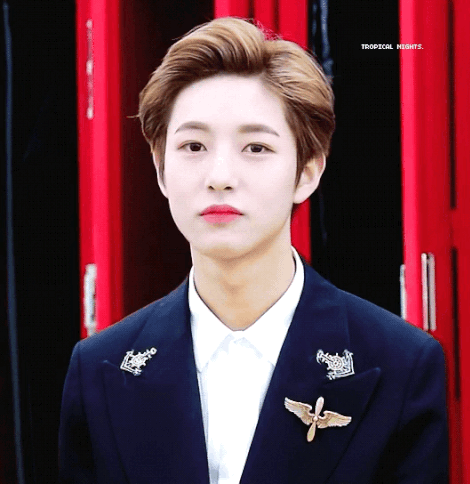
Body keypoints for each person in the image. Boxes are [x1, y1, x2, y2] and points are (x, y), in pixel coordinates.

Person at [59, 17, 448, 483]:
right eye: (194, 146)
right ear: (161, 170)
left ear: (307, 172)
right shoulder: (99, 369)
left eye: (256, 148)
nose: (220, 176)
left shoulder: (400, 365)